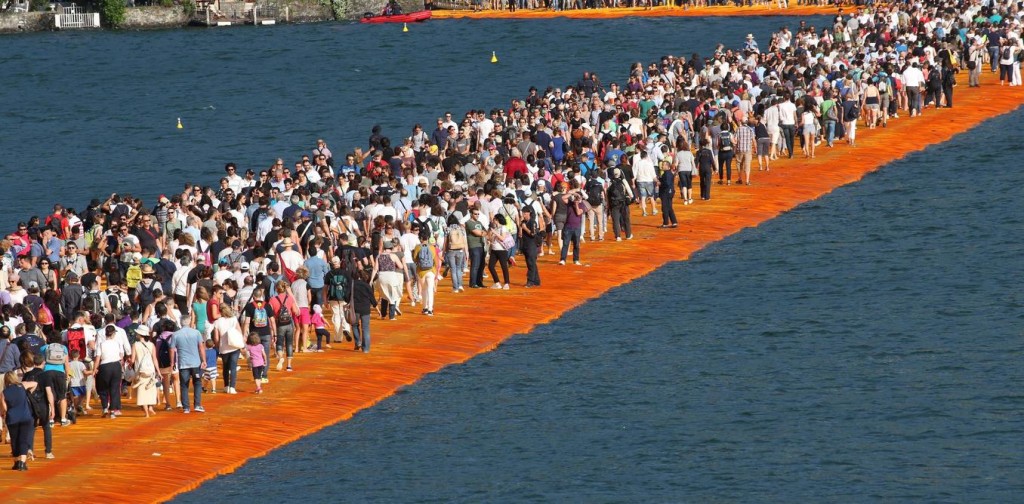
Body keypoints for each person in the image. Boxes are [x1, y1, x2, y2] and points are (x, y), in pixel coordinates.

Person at [2, 372, 37, 471]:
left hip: (12, 418)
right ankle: (22, 462)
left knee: (14, 440)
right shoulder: (22, 386)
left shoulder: (4, 392)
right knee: (23, 439)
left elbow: (4, 408)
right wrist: (29, 394)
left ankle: (17, 462)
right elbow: (35, 383)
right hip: (25, 417)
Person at [170, 322, 205, 414]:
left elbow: (172, 349)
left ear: (181, 323)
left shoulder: (176, 334)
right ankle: (197, 405)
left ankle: (186, 407)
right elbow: (201, 347)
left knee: (184, 385)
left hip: (183, 364)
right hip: (195, 363)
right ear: (189, 322)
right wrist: (204, 360)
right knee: (197, 383)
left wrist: (172, 362)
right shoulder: (196, 333)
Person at [211, 303, 244, 394]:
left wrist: (218, 346)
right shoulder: (233, 319)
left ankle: (226, 386)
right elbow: (239, 331)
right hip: (234, 346)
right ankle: (232, 387)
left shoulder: (217, 322)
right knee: (233, 367)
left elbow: (216, 338)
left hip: (224, 347)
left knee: (225, 367)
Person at [94, 326, 125, 418]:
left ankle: (105, 408)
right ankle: (112, 411)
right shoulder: (117, 343)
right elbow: (121, 355)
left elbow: (98, 358)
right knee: (114, 389)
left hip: (104, 366)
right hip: (116, 365)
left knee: (102, 388)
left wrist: (95, 369)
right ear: (113, 334)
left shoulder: (101, 344)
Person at [130, 325, 160, 418]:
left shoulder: (135, 345)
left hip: (140, 371)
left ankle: (146, 412)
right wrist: (158, 371)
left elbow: (133, 360)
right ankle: (151, 408)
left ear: (140, 334)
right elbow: (155, 359)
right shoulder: (151, 345)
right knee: (150, 390)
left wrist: (129, 364)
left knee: (142, 392)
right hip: (150, 370)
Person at [412, 229, 441, 315]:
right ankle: (430, 309)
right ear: (428, 238)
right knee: (430, 290)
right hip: (431, 270)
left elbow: (415, 259)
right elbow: (436, 260)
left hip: (421, 271)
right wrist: (436, 271)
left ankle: (424, 307)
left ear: (420, 238)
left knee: (424, 290)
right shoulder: (432, 247)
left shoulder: (418, 247)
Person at [350, 269, 376, 353]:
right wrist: (374, 304)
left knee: (354, 325)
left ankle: (358, 342)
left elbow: (347, 296)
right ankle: (366, 349)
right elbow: (372, 298)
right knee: (365, 328)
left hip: (355, 308)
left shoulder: (352, 285)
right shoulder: (367, 285)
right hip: (365, 309)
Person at [559, 185, 584, 266]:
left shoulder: (582, 204)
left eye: (579, 197)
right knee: (565, 244)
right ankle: (563, 259)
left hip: (577, 227)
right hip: (568, 226)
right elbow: (563, 198)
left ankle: (576, 259)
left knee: (576, 245)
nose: (577, 198)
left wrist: (576, 204)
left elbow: (578, 212)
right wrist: (572, 193)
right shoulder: (569, 203)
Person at [444, 214, 468, 293]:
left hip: (451, 250)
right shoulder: (461, 228)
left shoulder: (447, 229)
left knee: (453, 269)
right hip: (461, 249)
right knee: (459, 268)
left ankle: (455, 288)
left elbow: (445, 242)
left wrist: (444, 251)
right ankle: (460, 285)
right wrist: (466, 252)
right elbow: (465, 241)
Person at [465, 207, 487, 289]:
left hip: (481, 245)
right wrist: (482, 233)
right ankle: (473, 283)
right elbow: (478, 233)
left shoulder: (479, 222)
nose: (477, 215)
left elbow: (485, 231)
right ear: (471, 214)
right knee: (475, 265)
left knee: (481, 265)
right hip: (473, 245)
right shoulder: (468, 223)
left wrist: (482, 233)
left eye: (478, 214)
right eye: (475, 214)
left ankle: (479, 282)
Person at [696, 136, 715, 201]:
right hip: (708, 168)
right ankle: (707, 196)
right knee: (708, 182)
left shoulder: (698, 152)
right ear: (706, 144)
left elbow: (696, 161)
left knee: (702, 181)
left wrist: (695, 168)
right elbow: (712, 161)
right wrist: (715, 169)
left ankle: (702, 195)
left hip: (701, 168)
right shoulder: (709, 151)